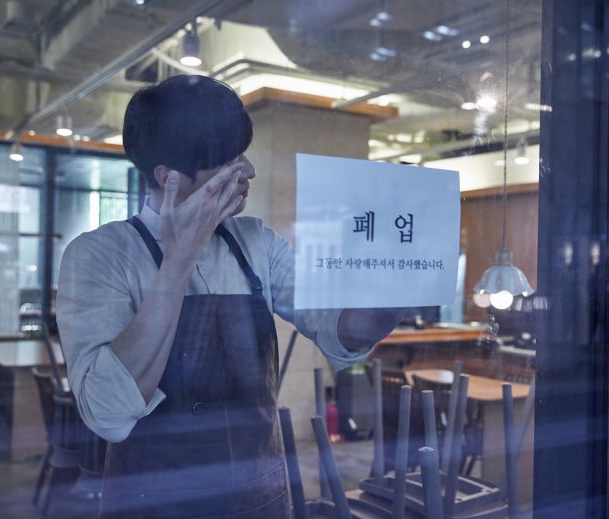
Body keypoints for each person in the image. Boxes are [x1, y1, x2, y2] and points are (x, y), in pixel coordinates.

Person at [57, 75, 404, 518]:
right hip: (152, 505)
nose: (249, 170)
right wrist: (179, 260)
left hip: (259, 497)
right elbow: (106, 413)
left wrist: (399, 292)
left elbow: (337, 327)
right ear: (170, 179)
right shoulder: (100, 254)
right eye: (229, 160)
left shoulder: (257, 242)